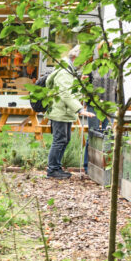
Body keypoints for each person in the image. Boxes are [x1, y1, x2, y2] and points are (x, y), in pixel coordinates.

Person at [46, 45, 95, 179]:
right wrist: (80, 109)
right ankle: (52, 170)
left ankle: (57, 167)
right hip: (60, 111)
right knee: (59, 140)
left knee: (64, 139)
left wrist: (80, 84)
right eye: (83, 60)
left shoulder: (70, 71)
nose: (84, 64)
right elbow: (65, 94)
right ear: (75, 58)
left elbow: (72, 91)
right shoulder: (64, 72)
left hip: (65, 112)